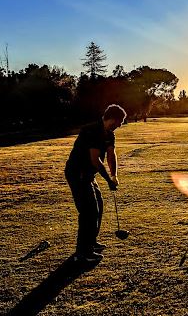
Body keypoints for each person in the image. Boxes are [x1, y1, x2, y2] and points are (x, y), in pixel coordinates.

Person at [65, 104, 126, 262]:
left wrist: (114, 176)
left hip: (88, 175)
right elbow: (95, 159)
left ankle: (91, 242)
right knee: (88, 212)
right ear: (111, 118)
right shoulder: (91, 131)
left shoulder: (109, 134)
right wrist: (108, 181)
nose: (119, 126)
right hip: (77, 173)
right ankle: (82, 253)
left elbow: (111, 155)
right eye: (118, 122)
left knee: (98, 207)